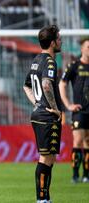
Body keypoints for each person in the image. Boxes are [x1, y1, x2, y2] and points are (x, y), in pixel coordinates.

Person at [23, 25, 62, 203]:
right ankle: (41, 199)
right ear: (53, 42)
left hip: (39, 114)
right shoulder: (50, 62)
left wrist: (37, 103)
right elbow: (46, 84)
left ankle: (45, 197)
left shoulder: (36, 60)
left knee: (50, 158)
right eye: (59, 38)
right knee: (46, 158)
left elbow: (26, 86)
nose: (61, 41)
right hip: (47, 116)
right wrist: (53, 107)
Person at [59, 37, 89, 183]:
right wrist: (68, 104)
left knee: (88, 143)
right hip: (79, 111)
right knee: (77, 141)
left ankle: (86, 175)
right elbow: (62, 84)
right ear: (82, 49)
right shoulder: (74, 66)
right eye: (88, 47)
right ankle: (75, 174)